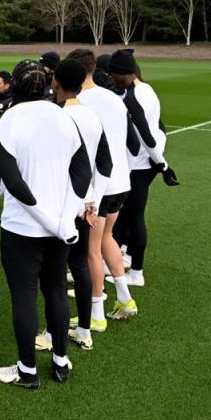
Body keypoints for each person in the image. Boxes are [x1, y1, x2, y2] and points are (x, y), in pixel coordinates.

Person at [0, 60, 91, 390]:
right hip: (59, 228)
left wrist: (53, 219)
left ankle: (27, 369)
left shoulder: (8, 121)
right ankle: (60, 361)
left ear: (15, 85)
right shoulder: (63, 117)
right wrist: (62, 219)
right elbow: (82, 171)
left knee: (25, 296)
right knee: (56, 289)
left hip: (23, 228)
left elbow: (12, 181)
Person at [35, 58, 113, 353]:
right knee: (78, 265)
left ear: (55, 82)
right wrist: (93, 199)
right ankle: (83, 330)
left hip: (59, 205)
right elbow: (105, 164)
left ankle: (52, 334)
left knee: (54, 275)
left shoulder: (55, 117)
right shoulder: (92, 117)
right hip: (84, 204)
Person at [67, 49, 138, 330]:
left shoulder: (80, 102)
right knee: (107, 237)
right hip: (122, 181)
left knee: (91, 250)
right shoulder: (114, 97)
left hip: (101, 185)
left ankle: (96, 314)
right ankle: (125, 298)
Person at [110, 49, 178, 287]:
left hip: (140, 165)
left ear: (123, 74)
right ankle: (120, 260)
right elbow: (158, 128)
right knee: (126, 217)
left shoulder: (131, 99)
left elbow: (146, 136)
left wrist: (163, 164)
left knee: (134, 217)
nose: (111, 79)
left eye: (113, 75)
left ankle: (136, 273)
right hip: (145, 162)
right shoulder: (146, 89)